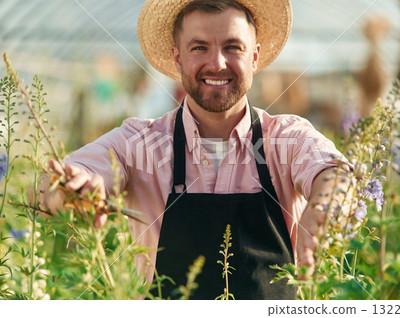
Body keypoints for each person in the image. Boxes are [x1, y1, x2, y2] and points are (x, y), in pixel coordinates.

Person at [34, 0, 351, 299]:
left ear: (254, 56)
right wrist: (68, 191)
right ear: (177, 58)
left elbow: (334, 172)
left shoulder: (286, 139)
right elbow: (47, 187)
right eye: (199, 47)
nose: (217, 63)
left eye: (232, 47)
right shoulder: (137, 143)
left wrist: (322, 206)